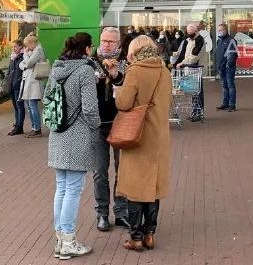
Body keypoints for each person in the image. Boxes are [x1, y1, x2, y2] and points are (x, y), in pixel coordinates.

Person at [47, 32, 105, 260]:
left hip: (57, 133)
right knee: (73, 189)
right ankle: (69, 240)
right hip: (78, 135)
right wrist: (97, 125)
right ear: (88, 48)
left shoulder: (57, 68)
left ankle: (60, 239)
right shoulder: (84, 71)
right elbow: (90, 108)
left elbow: (48, 98)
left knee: (61, 188)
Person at [114, 36, 171, 252]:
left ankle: (136, 237)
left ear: (135, 50)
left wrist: (118, 91)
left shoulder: (135, 70)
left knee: (135, 186)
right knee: (153, 185)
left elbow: (124, 103)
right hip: (159, 136)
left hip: (137, 135)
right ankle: (150, 234)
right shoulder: (165, 71)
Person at [91, 27, 130, 232]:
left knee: (122, 170)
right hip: (97, 124)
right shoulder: (90, 62)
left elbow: (129, 90)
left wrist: (116, 76)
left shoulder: (125, 63)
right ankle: (102, 213)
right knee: (100, 172)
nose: (106, 44)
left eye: (111, 41)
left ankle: (121, 212)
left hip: (120, 123)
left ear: (118, 44)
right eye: (104, 40)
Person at [174, 23, 207, 122]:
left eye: (191, 33)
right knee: (193, 92)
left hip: (196, 69)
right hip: (190, 69)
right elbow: (187, 54)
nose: (189, 34)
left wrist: (182, 63)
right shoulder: (189, 40)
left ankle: (198, 113)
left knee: (198, 92)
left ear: (196, 31)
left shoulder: (199, 40)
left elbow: (194, 57)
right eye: (188, 33)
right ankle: (194, 112)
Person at [19, 34, 46, 138]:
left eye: (27, 45)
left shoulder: (38, 50)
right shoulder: (32, 51)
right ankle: (34, 127)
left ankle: (37, 128)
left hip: (34, 82)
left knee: (32, 106)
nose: (26, 48)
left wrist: (25, 55)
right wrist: (25, 64)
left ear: (31, 43)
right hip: (29, 82)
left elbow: (29, 63)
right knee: (29, 106)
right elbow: (21, 64)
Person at [215, 23, 238, 112]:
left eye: (221, 30)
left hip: (229, 68)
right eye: (219, 30)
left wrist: (229, 64)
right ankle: (225, 103)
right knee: (224, 86)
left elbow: (233, 54)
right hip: (221, 67)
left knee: (230, 85)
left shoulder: (231, 40)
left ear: (225, 30)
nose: (219, 32)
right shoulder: (219, 40)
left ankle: (232, 105)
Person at [7, 40, 25, 136]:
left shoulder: (23, 57)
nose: (13, 49)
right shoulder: (13, 57)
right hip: (12, 85)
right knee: (15, 106)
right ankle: (16, 123)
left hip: (18, 84)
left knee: (19, 105)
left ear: (20, 46)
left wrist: (19, 80)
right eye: (12, 47)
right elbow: (9, 70)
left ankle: (19, 126)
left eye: (15, 46)